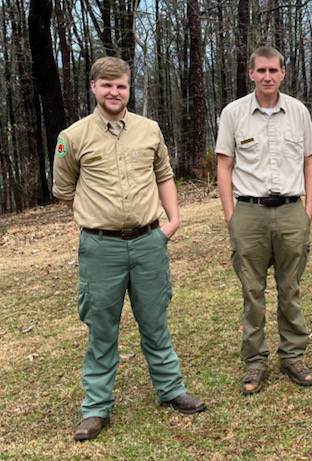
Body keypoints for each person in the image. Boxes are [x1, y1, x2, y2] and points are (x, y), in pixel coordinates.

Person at [52, 57, 205, 442]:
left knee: (155, 321)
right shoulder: (73, 137)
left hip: (149, 243)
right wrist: (94, 220)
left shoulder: (149, 130)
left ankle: (171, 390)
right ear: (93, 88)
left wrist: (173, 221)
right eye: (107, 85)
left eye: (120, 85)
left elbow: (164, 176)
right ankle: (96, 408)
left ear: (128, 87)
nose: (114, 92)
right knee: (102, 328)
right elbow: (65, 191)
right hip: (101, 249)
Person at [216, 46, 312, 395]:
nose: (267, 77)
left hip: (291, 211)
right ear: (251, 73)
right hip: (249, 212)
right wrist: (231, 216)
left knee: (290, 288)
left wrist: (307, 211)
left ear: (283, 73)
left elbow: (310, 161)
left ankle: (293, 356)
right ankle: (255, 362)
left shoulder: (298, 112)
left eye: (273, 71)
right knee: (252, 291)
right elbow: (224, 166)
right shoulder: (233, 114)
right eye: (261, 70)